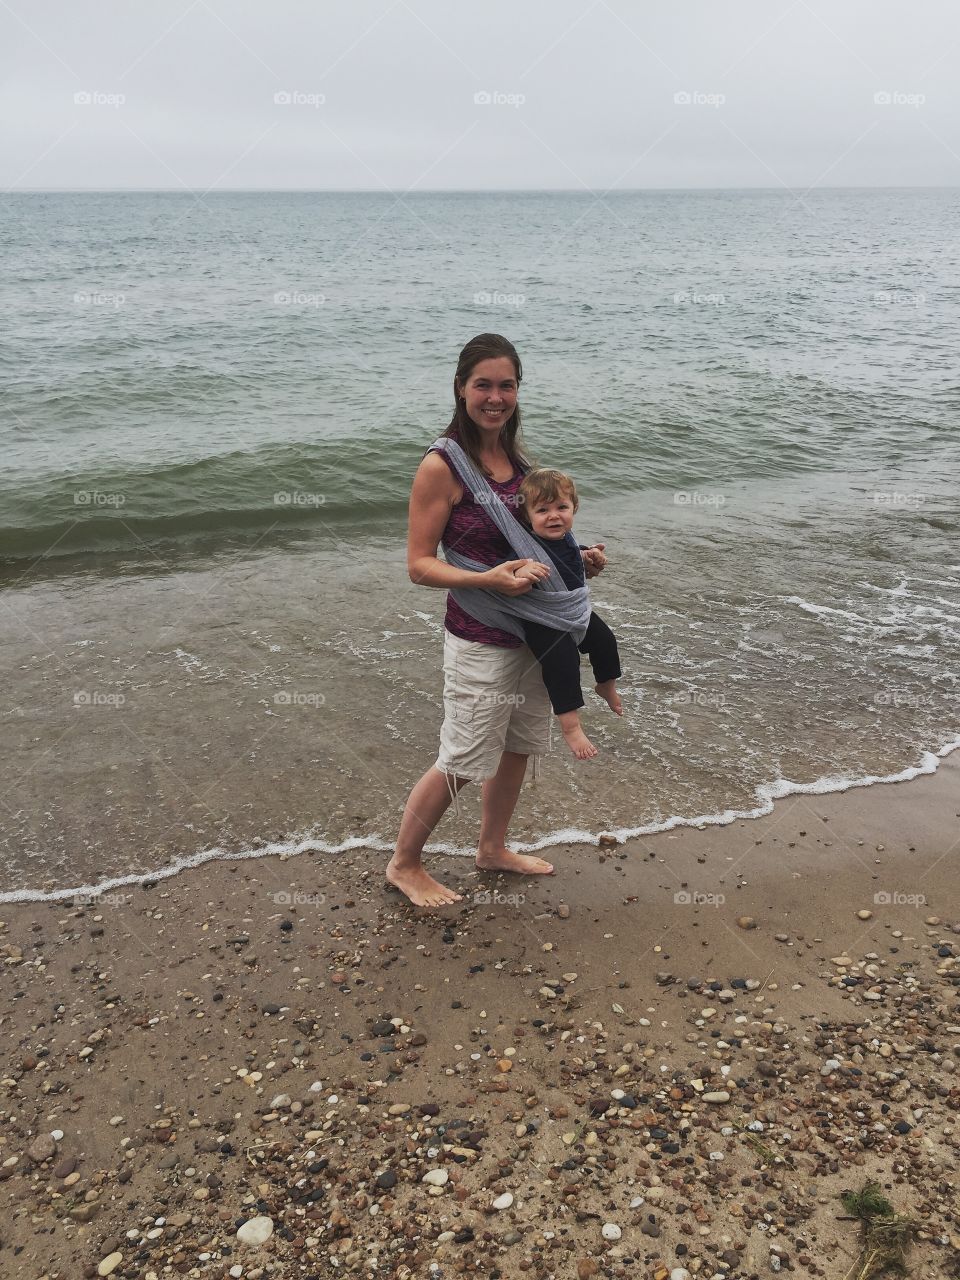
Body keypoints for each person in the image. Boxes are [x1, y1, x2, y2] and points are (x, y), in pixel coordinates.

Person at [385, 333, 607, 907]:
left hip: (535, 639)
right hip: (480, 638)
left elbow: (541, 541)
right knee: (460, 758)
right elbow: (418, 565)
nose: (495, 396)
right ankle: (404, 863)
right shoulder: (441, 465)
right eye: (483, 384)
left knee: (517, 748)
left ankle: (491, 847)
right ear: (461, 389)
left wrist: (578, 568)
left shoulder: (520, 464)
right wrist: (489, 579)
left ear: (517, 391)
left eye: (506, 384)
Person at [514, 467, 622, 760]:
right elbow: (507, 567)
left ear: (574, 508)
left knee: (605, 641)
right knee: (564, 662)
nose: (553, 516)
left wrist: (590, 555)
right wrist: (520, 569)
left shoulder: (569, 538)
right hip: (542, 617)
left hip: (574, 610)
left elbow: (574, 553)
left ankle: (606, 684)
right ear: (527, 516)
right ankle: (571, 727)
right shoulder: (525, 543)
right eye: (542, 510)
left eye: (562, 507)